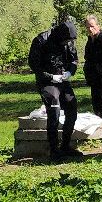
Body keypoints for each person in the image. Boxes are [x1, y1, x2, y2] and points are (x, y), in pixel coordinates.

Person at [28, 18, 82, 160]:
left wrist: (70, 72)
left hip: (63, 79)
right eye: (66, 40)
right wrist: (50, 76)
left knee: (72, 107)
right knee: (54, 109)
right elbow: (34, 64)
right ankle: (53, 149)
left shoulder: (69, 42)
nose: (68, 42)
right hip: (47, 81)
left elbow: (74, 59)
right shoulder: (42, 40)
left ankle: (65, 145)